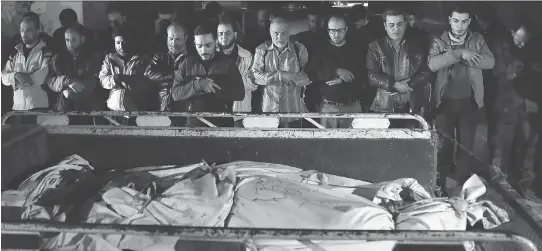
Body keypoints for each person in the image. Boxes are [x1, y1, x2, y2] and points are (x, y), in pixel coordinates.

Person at [428, 5, 495, 192]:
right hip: (444, 104)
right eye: (456, 21)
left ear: (469, 21)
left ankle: (459, 184)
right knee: (444, 146)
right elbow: (433, 64)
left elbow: (490, 62)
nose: (460, 25)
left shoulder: (477, 39)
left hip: (469, 102)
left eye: (464, 21)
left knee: (467, 146)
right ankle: (440, 185)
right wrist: (460, 53)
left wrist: (462, 56)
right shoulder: (438, 40)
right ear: (449, 19)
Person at [489, 23, 541, 202]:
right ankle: (497, 183)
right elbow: (499, 75)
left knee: (527, 148)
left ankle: (523, 185)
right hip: (508, 104)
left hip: (528, 106)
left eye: (524, 41)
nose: (521, 45)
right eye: (519, 40)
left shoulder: (532, 52)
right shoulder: (503, 49)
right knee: (502, 145)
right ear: (512, 33)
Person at [171, 22, 245, 127]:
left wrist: (214, 87)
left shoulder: (227, 63)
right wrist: (198, 85)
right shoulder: (187, 63)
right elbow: (175, 94)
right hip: (194, 124)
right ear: (194, 43)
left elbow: (240, 94)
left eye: (208, 45)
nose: (203, 50)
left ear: (216, 42)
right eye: (199, 46)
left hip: (222, 124)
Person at [366, 8, 432, 123]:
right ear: (385, 26)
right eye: (391, 25)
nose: (396, 29)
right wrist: (394, 85)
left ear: (405, 25)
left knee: (409, 139)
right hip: (383, 107)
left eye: (399, 24)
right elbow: (372, 76)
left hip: (411, 105)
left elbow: (426, 73)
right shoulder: (375, 47)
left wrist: (408, 85)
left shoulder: (417, 45)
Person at [251, 15, 312, 128]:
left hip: (294, 112)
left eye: (283, 33)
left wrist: (292, 78)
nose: (280, 37)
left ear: (289, 32)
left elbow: (308, 77)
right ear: (270, 32)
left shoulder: (299, 49)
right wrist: (280, 76)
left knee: (295, 144)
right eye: (276, 33)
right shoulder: (261, 50)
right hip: (269, 112)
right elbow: (255, 76)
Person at [307, 15, 366, 128]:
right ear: (328, 30)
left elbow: (363, 73)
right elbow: (311, 72)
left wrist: (342, 80)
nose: (336, 34)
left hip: (352, 105)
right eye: (332, 30)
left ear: (346, 30)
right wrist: (336, 71)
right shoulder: (320, 49)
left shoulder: (356, 49)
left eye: (340, 30)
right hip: (328, 106)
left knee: (355, 143)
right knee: (328, 143)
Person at [1, 16, 53, 124]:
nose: (24, 33)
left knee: (37, 139)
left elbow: (43, 75)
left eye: (28, 30)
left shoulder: (45, 51)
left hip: (39, 107)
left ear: (38, 30)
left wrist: (19, 82)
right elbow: (3, 77)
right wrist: (15, 75)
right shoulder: (15, 52)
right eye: (21, 30)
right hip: (17, 108)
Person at [99, 28, 153, 125]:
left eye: (124, 42)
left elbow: (147, 83)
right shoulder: (110, 58)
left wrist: (131, 81)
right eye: (118, 43)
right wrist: (115, 78)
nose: (121, 46)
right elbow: (103, 80)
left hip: (135, 113)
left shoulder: (142, 59)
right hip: (114, 111)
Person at [47, 27, 101, 125]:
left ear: (82, 39)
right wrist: (67, 82)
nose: (70, 43)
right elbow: (51, 80)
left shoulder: (92, 57)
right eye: (67, 40)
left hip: (88, 109)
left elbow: (94, 80)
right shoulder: (58, 59)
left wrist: (71, 92)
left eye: (73, 39)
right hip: (64, 108)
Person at [216, 15, 256, 128]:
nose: (224, 37)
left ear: (235, 34)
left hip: (240, 112)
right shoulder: (212, 56)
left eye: (228, 33)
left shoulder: (247, 56)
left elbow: (254, 85)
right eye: (220, 34)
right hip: (217, 112)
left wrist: (228, 83)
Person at [292, 8, 328, 114]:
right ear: (308, 21)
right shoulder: (301, 37)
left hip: (324, 79)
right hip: (307, 80)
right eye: (312, 21)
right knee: (308, 110)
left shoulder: (328, 37)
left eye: (317, 21)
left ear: (322, 22)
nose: (315, 24)